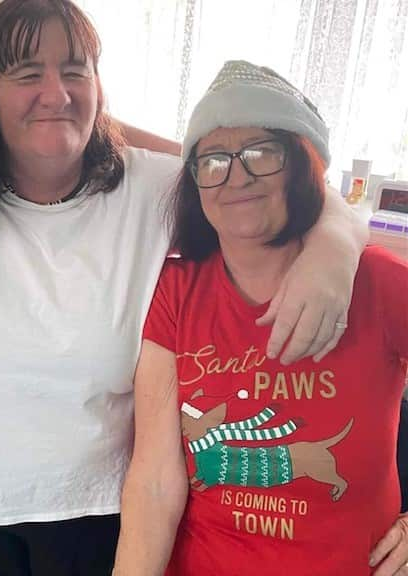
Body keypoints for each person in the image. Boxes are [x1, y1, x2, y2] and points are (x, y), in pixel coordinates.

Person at [0, 2, 374, 574]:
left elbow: (270, 172)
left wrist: (333, 246)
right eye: (26, 73)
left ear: (99, 84)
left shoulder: (152, 186)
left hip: (100, 514)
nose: (55, 92)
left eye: (75, 70)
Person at [113, 60, 408, 576]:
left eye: (260, 153)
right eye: (214, 159)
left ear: (300, 162)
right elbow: (155, 480)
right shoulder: (175, 290)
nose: (236, 176)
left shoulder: (380, 283)